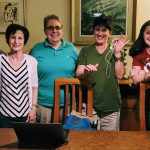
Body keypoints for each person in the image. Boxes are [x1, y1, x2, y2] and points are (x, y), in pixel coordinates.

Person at [76, 14, 128, 131]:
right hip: (89, 105)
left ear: (110, 32)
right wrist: (85, 70)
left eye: (104, 30)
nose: (100, 33)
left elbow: (119, 75)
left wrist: (118, 54)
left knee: (109, 143)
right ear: (93, 31)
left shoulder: (115, 50)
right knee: (88, 142)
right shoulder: (85, 51)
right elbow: (78, 72)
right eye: (97, 30)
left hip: (111, 105)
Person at [30, 14, 78, 123]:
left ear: (62, 29)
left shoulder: (71, 49)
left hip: (68, 104)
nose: (54, 30)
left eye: (57, 27)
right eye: (50, 27)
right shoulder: (36, 49)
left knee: (68, 138)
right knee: (44, 138)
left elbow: (79, 72)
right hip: (43, 105)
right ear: (45, 30)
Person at [0, 24, 38, 127]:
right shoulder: (1, 60)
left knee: (24, 142)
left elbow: (34, 87)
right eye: (13, 37)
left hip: (25, 114)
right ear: (8, 39)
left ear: (24, 41)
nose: (16, 41)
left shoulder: (31, 61)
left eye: (20, 38)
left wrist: (33, 109)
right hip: (3, 115)